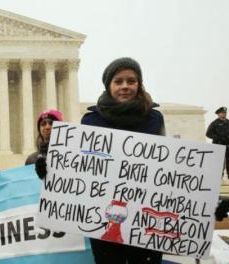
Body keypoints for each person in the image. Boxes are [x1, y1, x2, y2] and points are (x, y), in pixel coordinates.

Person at [36, 57, 165, 263]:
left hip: (143, 217)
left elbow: (167, 168)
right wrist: (50, 166)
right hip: (103, 216)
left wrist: (206, 200)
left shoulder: (154, 118)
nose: (125, 86)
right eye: (118, 81)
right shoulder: (91, 120)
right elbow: (80, 167)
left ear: (139, 84)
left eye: (131, 81)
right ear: (109, 85)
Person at [206, 107, 229, 179]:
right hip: (219, 145)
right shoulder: (214, 123)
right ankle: (219, 175)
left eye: (225, 113)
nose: (224, 114)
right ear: (218, 114)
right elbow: (208, 134)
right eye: (222, 113)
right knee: (219, 162)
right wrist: (219, 138)